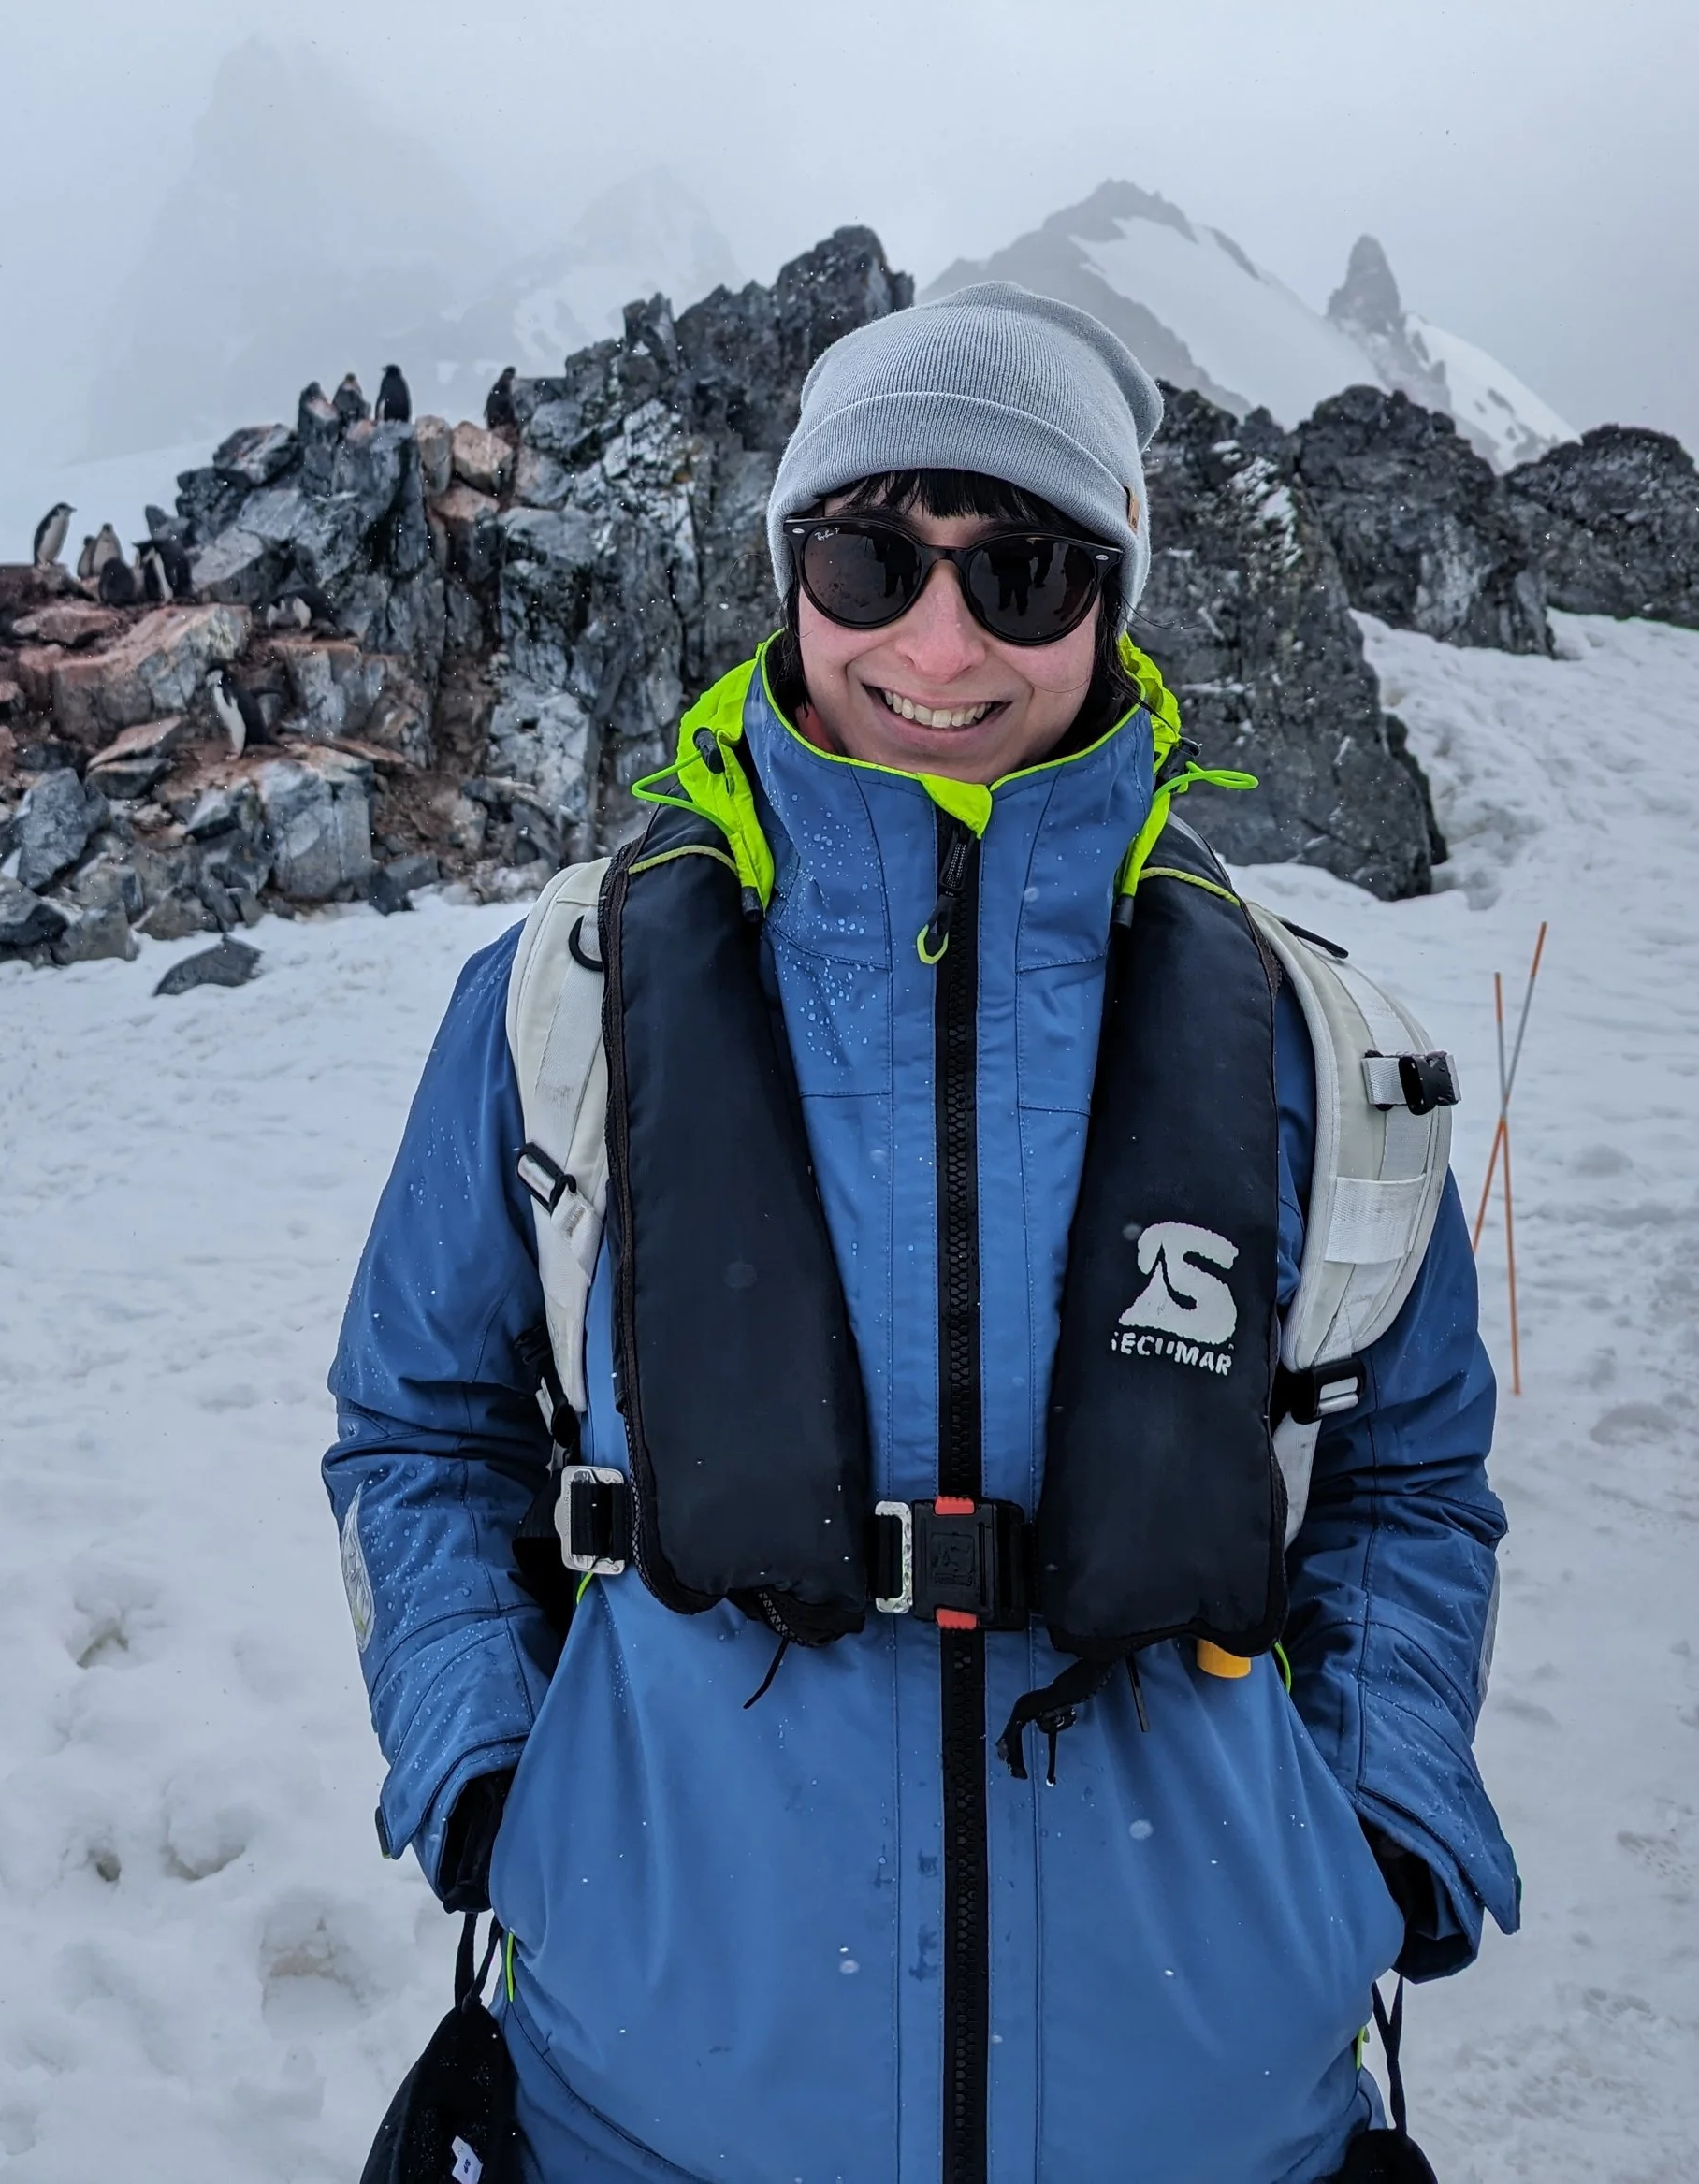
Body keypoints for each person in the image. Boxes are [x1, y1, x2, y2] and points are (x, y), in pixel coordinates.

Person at [326, 282, 1517, 2184]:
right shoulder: (561, 1003)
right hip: (650, 2113)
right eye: (870, 558)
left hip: (1205, 2125)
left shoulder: (1305, 1042)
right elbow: (420, 1427)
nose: (937, 641)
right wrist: (489, 1774)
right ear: (789, 572)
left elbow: (1404, 1474)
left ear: (1111, 598)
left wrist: (1363, 1828)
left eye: (1024, 571)